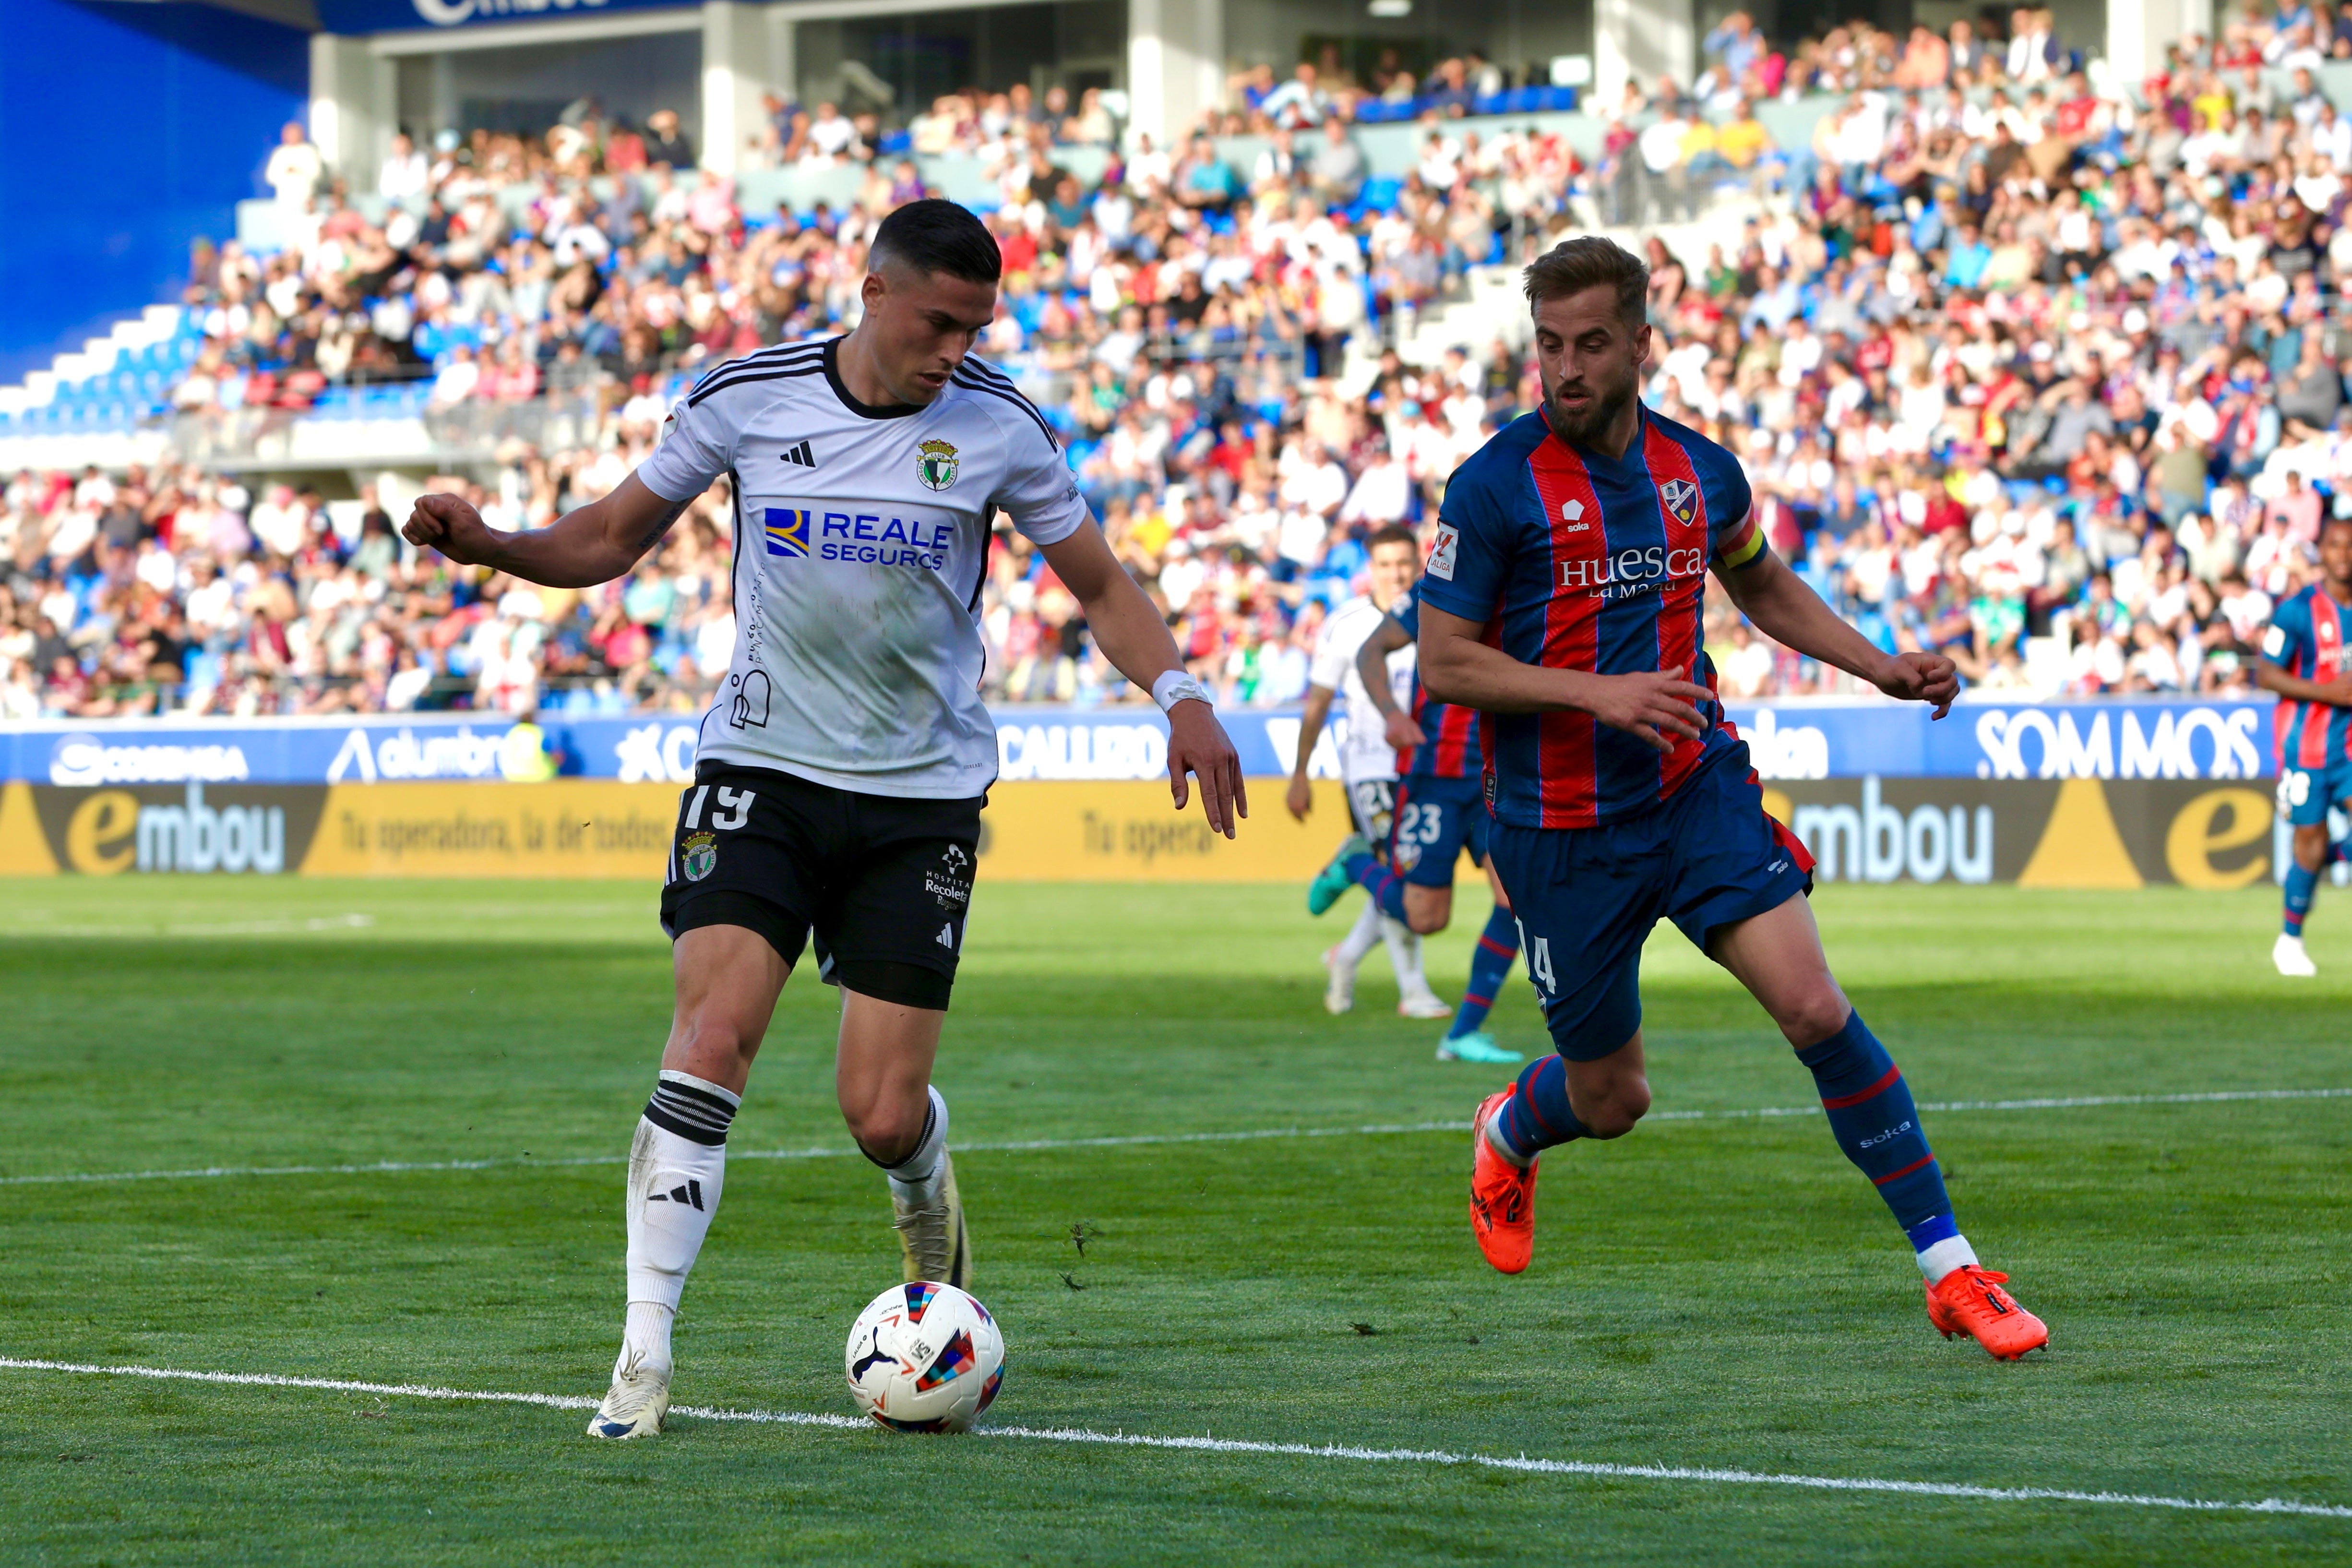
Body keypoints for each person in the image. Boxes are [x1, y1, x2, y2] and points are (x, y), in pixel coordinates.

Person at [398, 200, 1245, 1439]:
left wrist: (1181, 695)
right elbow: (613, 533)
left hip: (921, 798)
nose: (952, 348)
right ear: (871, 290)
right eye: (936, 322)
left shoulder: (999, 426)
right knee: (713, 1031)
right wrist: (497, 549)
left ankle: (920, 1180)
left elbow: (1102, 584)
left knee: (879, 1111)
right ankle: (642, 1355)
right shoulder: (748, 397)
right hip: (762, 769)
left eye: (973, 327)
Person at [1412, 236, 2048, 1361]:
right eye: (1549, 345)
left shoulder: (1700, 472)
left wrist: (1882, 665)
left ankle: (1951, 1268)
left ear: (1642, 346)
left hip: (1695, 787)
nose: (1566, 367)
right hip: (1562, 834)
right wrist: (1593, 693)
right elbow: (1444, 663)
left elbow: (1759, 582)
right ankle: (1511, 1122)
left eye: (1591, 344)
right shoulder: (1493, 485)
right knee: (1614, 1098)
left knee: (1813, 1006)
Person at [1302, 575, 1524, 1065]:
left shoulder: (1544, 578)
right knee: (1427, 918)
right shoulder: (1443, 581)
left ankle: (1462, 1033)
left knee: (1515, 900)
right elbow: (1369, 652)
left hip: (1501, 775)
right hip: (1433, 774)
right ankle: (1356, 861)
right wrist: (1390, 714)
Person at [1287, 525, 1450, 1021]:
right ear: (1370, 569)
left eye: (1403, 563)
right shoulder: (1346, 624)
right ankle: (1413, 989)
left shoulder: (1436, 614)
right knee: (1401, 872)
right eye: (1385, 565)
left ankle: (1346, 955)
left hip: (1423, 767)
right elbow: (1317, 703)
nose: (1396, 573)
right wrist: (1299, 773)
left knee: (1398, 880)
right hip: (1370, 768)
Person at [2255, 516, 2352, 976]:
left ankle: (2330, 857)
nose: (2344, 554)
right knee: (2309, 842)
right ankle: (2289, 941)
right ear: (2322, 552)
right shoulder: (2296, 611)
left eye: (2350, 546)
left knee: (2316, 848)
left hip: (2350, 748)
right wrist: (2328, 692)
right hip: (2306, 748)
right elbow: (2266, 674)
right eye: (2335, 545)